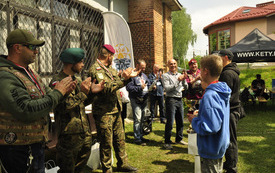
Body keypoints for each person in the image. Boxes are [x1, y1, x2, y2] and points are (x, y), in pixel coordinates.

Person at [0, 29, 75, 173]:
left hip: (35, 145)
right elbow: (26, 110)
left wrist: (63, 92)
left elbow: (48, 96)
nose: (36, 52)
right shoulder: (5, 76)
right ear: (17, 48)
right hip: (16, 149)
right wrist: (59, 92)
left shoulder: (29, 72)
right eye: (33, 47)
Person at [49, 48, 104, 173]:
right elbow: (62, 107)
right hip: (68, 135)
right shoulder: (57, 81)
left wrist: (93, 93)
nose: (83, 64)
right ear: (70, 63)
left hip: (84, 132)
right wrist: (84, 93)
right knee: (67, 169)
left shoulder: (77, 79)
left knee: (80, 167)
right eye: (80, 62)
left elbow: (82, 103)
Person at [89, 44, 138, 173]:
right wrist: (123, 78)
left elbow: (117, 83)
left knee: (120, 139)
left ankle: (123, 164)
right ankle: (107, 168)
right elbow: (107, 88)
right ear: (109, 56)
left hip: (115, 109)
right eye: (113, 56)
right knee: (106, 142)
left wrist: (127, 79)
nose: (113, 59)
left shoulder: (110, 69)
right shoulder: (96, 69)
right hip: (104, 112)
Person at [188, 54, 231, 173]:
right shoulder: (220, 90)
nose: (199, 72)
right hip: (218, 145)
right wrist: (201, 114)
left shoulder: (210, 95)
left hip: (211, 149)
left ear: (206, 71)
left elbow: (210, 127)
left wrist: (194, 120)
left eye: (201, 69)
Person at [218, 49, 244, 173]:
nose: (218, 59)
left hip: (231, 110)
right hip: (232, 109)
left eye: (220, 57)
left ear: (226, 57)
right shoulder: (231, 71)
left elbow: (225, 95)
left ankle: (232, 167)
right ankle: (229, 162)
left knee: (230, 139)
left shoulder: (227, 73)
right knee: (229, 138)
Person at [162, 59, 188, 150]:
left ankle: (179, 138)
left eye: (174, 64)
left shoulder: (179, 75)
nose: (173, 65)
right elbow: (167, 88)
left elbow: (185, 87)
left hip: (179, 99)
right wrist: (178, 81)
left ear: (176, 65)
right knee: (170, 121)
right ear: (168, 65)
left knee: (180, 120)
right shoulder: (165, 76)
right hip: (171, 99)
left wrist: (184, 79)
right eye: (171, 64)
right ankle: (167, 141)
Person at [126, 59, 151, 146]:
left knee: (143, 119)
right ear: (137, 66)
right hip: (135, 99)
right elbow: (129, 88)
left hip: (144, 99)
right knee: (138, 119)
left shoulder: (144, 75)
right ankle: (137, 138)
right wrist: (140, 88)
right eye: (142, 68)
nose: (144, 69)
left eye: (144, 68)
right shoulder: (132, 76)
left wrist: (152, 87)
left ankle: (141, 135)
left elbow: (148, 84)